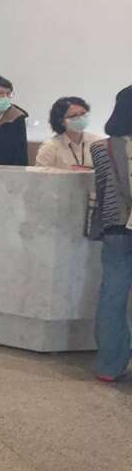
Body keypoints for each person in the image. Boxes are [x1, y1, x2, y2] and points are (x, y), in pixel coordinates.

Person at [88, 85, 132, 382]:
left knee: (112, 297)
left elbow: (103, 192)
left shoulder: (100, 148)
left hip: (116, 229)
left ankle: (109, 365)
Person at [35, 97, 103, 170]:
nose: (80, 118)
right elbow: (40, 174)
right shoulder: (50, 146)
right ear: (61, 121)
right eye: (73, 115)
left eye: (83, 113)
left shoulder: (98, 142)